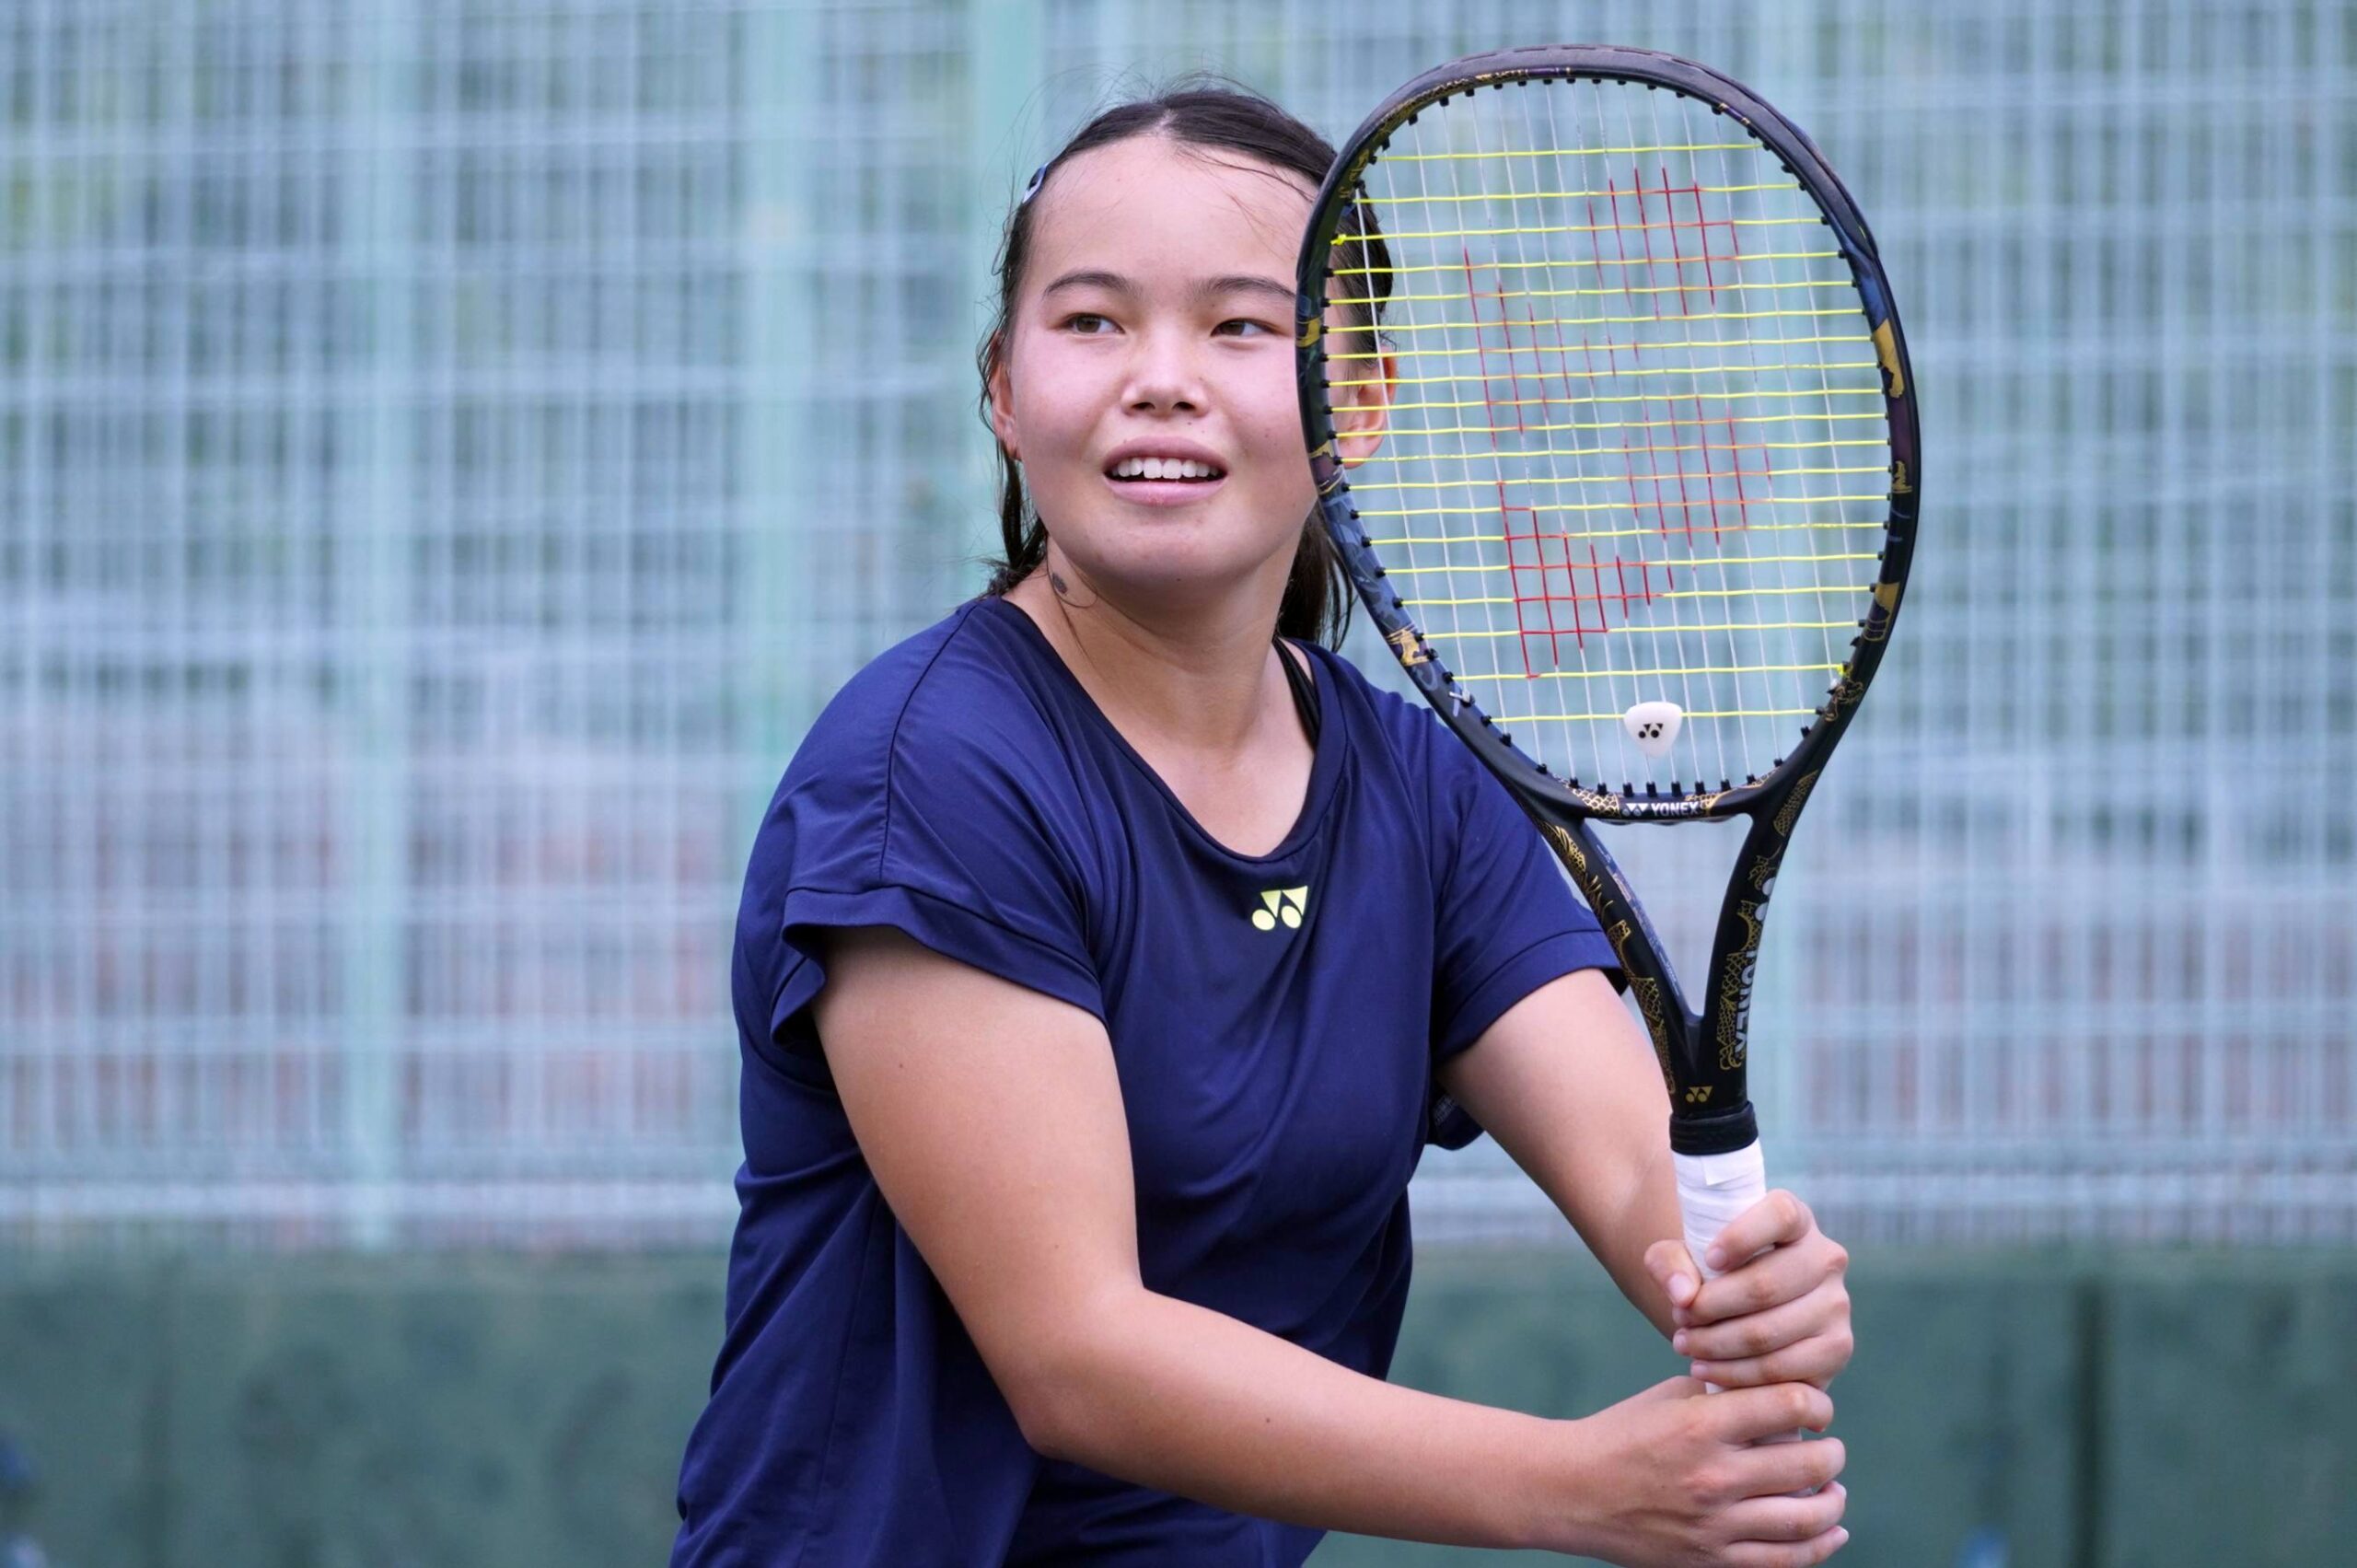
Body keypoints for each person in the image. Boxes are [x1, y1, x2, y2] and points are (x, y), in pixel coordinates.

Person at [670, 82, 1854, 1568]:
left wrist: (1739, 1276)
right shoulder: (932, 778)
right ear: (1004, 390)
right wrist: (1578, 1487)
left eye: (1240, 327)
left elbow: (1630, 1170)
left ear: (1355, 400)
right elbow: (1077, 1354)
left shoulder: (1421, 796)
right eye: (1092, 322)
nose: (1159, 379)